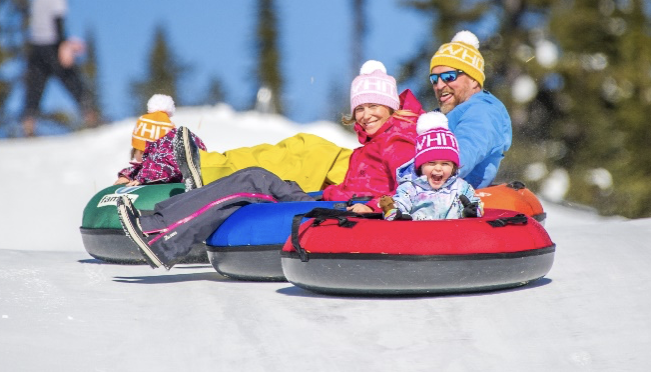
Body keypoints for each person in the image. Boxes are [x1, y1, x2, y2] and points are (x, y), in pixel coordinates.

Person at [116, 60, 424, 269]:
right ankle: (161, 226)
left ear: (391, 108)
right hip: (330, 199)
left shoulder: (399, 141)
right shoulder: (375, 142)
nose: (365, 115)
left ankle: (160, 235)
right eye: (360, 108)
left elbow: (411, 188)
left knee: (254, 181)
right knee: (255, 178)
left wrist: (371, 205)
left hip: (349, 212)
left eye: (374, 107)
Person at [429, 30, 512, 188]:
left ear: (474, 80)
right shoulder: (439, 116)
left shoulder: (481, 111)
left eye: (449, 77)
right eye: (434, 79)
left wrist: (422, 180)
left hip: (453, 203)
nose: (439, 85)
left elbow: (465, 150)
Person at [22, 0, 97, 136]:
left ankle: (28, 123)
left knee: (35, 86)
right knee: (72, 79)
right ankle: (90, 115)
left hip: (35, 47)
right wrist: (64, 46)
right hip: (52, 45)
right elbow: (58, 25)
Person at [379, 112, 482, 221]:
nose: (438, 168)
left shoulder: (461, 187)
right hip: (420, 235)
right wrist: (396, 214)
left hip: (454, 234)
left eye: (445, 164)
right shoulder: (410, 188)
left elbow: (476, 204)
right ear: (420, 166)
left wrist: (471, 211)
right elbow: (399, 204)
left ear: (453, 167)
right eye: (431, 163)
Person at [115, 94, 206, 187]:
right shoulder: (149, 168)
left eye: (140, 151)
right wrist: (127, 176)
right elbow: (141, 168)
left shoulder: (168, 161)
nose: (137, 157)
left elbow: (165, 167)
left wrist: (143, 177)